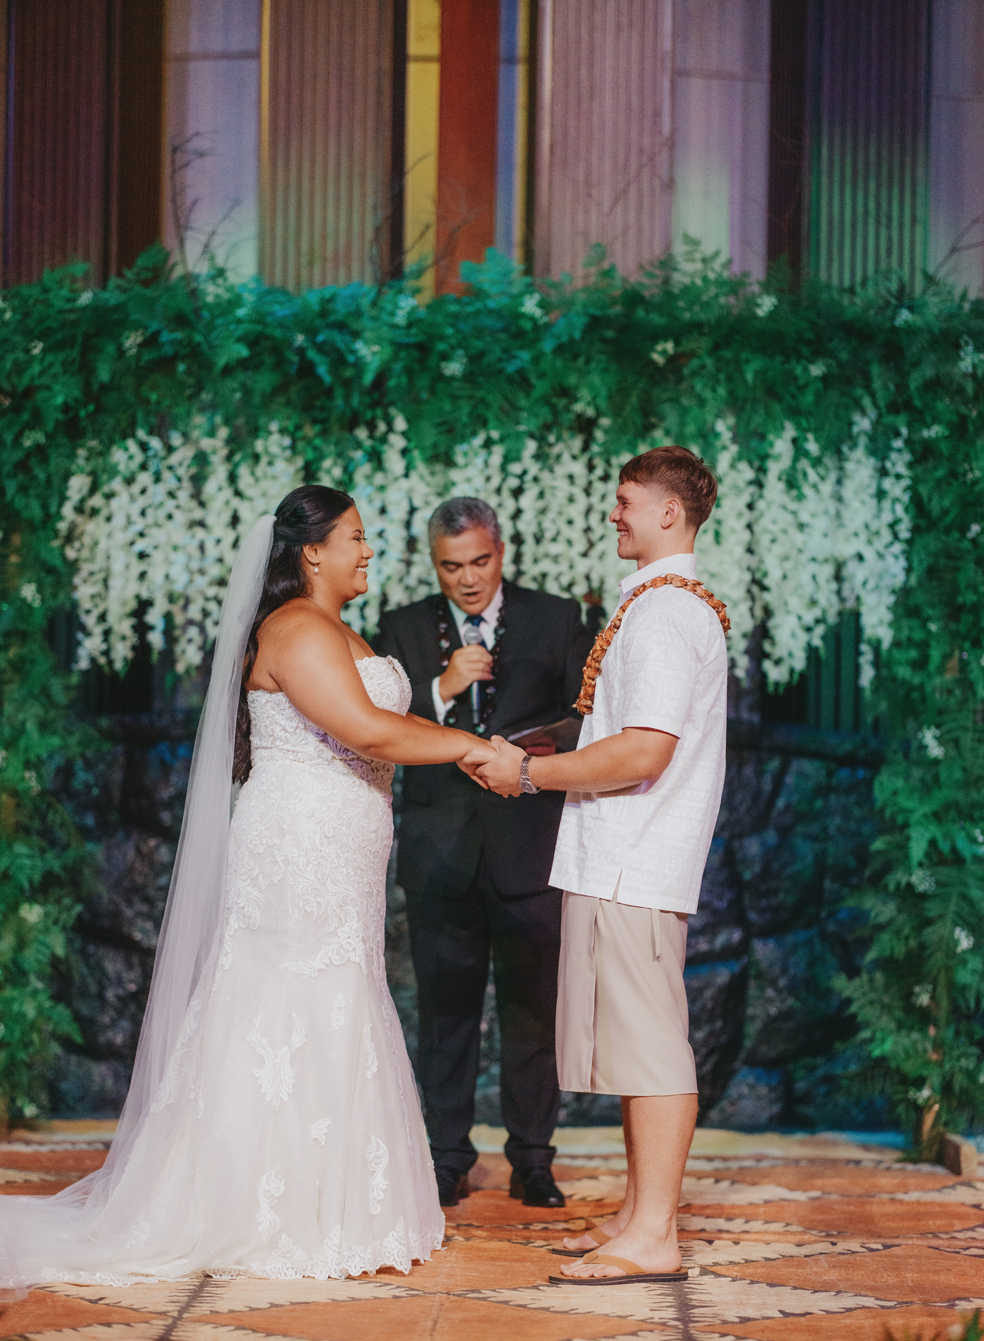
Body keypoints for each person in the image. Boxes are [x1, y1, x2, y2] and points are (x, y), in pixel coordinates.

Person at [0, 486, 491, 1291]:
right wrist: (474, 749)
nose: (369, 550)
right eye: (356, 537)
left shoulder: (340, 628)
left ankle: (334, 1200)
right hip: (298, 846)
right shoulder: (295, 628)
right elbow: (366, 728)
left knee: (339, 991)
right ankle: (267, 1207)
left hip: (342, 846)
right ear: (313, 553)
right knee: (285, 999)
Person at [473, 448, 730, 1284]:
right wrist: (552, 742)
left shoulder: (666, 613)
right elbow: (622, 727)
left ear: (668, 512)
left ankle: (655, 1234)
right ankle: (636, 1213)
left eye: (625, 501)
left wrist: (529, 772)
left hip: (635, 857)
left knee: (653, 1048)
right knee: (635, 1043)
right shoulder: (657, 604)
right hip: (617, 854)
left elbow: (646, 749)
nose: (613, 514)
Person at [376, 499, 592, 1209]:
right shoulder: (402, 627)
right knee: (445, 1016)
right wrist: (441, 689)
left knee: (534, 1012)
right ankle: (446, 1158)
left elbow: (586, 718)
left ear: (501, 551)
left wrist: (530, 754)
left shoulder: (555, 617)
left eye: (479, 562)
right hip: (441, 851)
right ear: (433, 563)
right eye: (451, 566)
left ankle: (533, 1159)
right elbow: (374, 724)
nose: (467, 579)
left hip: (530, 845)